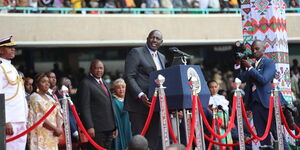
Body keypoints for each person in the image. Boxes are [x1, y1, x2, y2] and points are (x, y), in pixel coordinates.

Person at [234, 40, 288, 149]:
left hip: (268, 103)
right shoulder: (253, 65)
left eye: (257, 49)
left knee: (276, 133)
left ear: (264, 49)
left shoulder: (269, 63)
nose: (254, 51)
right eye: (253, 49)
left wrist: (250, 68)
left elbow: (264, 80)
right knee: (262, 136)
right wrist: (237, 65)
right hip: (255, 104)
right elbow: (239, 79)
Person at [124, 30, 166, 150]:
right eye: (152, 37)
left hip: (155, 106)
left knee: (153, 141)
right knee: (139, 141)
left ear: (161, 42)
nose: (154, 40)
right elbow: (129, 76)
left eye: (157, 39)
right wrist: (141, 95)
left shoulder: (162, 57)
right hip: (139, 105)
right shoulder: (136, 52)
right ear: (147, 39)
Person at [77, 59, 117, 150]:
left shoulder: (104, 82)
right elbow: (84, 107)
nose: (99, 70)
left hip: (109, 127)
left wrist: (115, 126)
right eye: (96, 68)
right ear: (91, 69)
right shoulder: (85, 83)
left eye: (101, 68)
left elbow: (110, 105)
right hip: (96, 128)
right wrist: (89, 126)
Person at [0, 35, 28, 150]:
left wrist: (25, 116)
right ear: (1, 50)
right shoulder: (1, 67)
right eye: (9, 47)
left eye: (13, 47)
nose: (13, 49)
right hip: (10, 120)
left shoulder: (10, 67)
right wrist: (5, 121)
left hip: (20, 117)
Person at [27, 73, 63, 150]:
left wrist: (59, 127)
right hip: (41, 133)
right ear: (37, 84)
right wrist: (55, 128)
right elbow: (40, 118)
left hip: (53, 134)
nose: (47, 84)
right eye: (43, 82)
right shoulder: (34, 97)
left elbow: (58, 113)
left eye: (48, 82)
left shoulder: (50, 98)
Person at [207, 80, 233, 149]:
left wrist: (229, 123)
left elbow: (229, 113)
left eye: (215, 87)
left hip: (227, 126)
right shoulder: (208, 100)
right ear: (208, 88)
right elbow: (210, 114)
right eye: (211, 87)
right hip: (217, 127)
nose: (214, 89)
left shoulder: (222, 98)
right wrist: (221, 123)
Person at [55, 77, 79, 148]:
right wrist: (75, 131)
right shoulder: (61, 97)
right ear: (67, 86)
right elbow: (67, 114)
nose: (71, 87)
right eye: (70, 85)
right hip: (69, 130)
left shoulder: (66, 96)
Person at [111, 78, 132, 150]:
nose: (121, 89)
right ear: (114, 89)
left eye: (123, 87)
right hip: (119, 128)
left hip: (129, 126)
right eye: (118, 87)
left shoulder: (129, 99)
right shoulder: (113, 101)